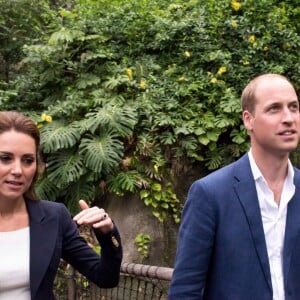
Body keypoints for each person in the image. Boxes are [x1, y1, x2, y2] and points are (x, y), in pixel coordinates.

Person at [168, 74, 300, 299]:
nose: (288, 118)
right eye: (274, 109)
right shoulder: (210, 194)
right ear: (248, 120)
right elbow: (185, 290)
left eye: (294, 107)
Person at [0, 111, 122, 300]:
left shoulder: (54, 216)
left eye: (28, 160)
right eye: (5, 158)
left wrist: (107, 233)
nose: (18, 170)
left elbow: (105, 278)